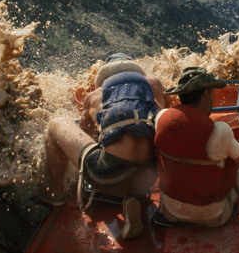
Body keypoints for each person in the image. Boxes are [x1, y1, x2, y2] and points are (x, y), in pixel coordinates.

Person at [40, 53, 171, 239]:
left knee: (56, 124)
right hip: (150, 174)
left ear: (103, 78)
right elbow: (168, 115)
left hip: (109, 177)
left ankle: (55, 193)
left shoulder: (94, 96)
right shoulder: (155, 85)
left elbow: (87, 138)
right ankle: (131, 196)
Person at [154, 67, 239, 227]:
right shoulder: (220, 130)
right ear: (207, 94)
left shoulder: (160, 118)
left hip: (171, 213)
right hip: (214, 217)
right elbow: (238, 162)